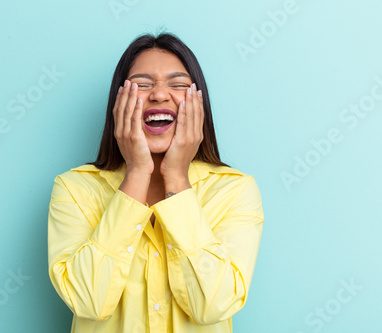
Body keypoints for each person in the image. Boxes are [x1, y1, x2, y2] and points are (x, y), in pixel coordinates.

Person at [47, 32, 264, 333]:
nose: (159, 95)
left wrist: (176, 177)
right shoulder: (74, 189)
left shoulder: (234, 191)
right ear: (118, 101)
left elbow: (213, 305)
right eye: (142, 84)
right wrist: (137, 172)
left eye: (177, 85)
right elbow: (88, 301)